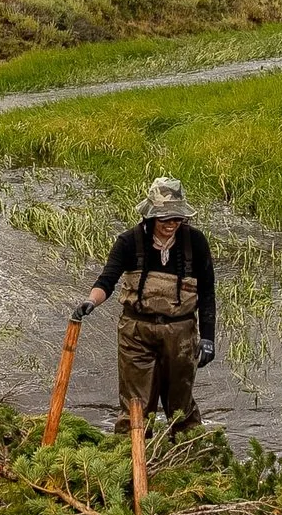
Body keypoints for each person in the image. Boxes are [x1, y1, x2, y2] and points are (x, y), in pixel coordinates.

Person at [74, 176, 217, 433]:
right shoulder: (129, 242)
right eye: (164, 219)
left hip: (181, 333)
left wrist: (208, 338)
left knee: (180, 406)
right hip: (135, 333)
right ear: (150, 216)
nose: (171, 225)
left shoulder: (195, 243)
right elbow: (107, 280)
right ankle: (132, 459)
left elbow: (207, 293)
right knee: (136, 406)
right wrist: (90, 302)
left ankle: (189, 457)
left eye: (177, 219)